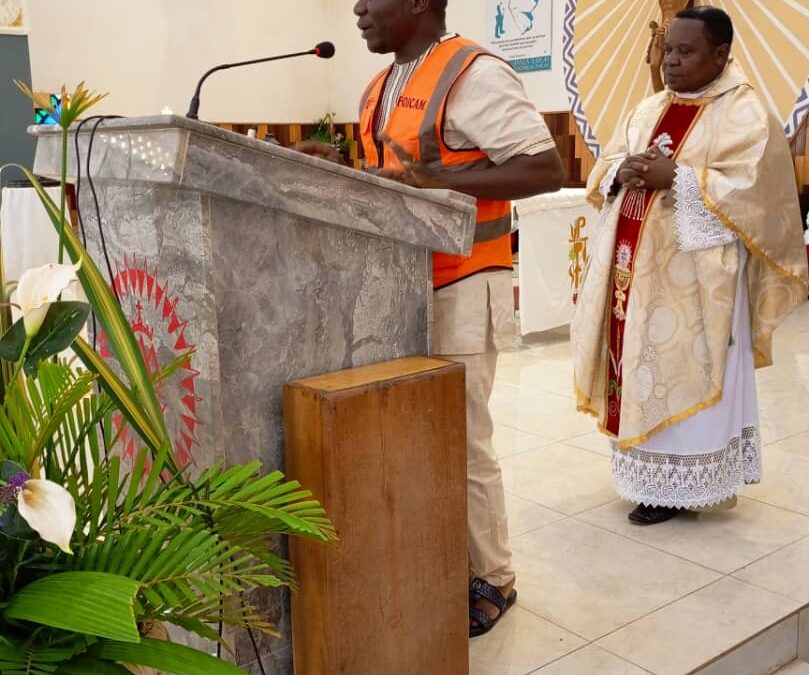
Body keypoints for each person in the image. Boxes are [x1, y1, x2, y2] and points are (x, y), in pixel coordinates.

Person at [349, 0, 563, 637]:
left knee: (462, 440)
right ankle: (437, 557)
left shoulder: (473, 72)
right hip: (397, 287)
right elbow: (393, 177)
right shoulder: (382, 81)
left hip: (464, 281)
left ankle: (494, 576)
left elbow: (545, 168)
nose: (357, 9)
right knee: (416, 439)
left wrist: (438, 178)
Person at [572, 6, 808, 525]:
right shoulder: (648, 107)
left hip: (701, 284)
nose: (672, 62)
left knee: (689, 369)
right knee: (640, 374)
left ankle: (685, 484)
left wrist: (678, 178)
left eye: (685, 52)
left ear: (721, 54)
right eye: (669, 51)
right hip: (637, 275)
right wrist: (621, 171)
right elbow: (608, 163)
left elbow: (757, 197)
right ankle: (649, 477)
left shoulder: (746, 114)